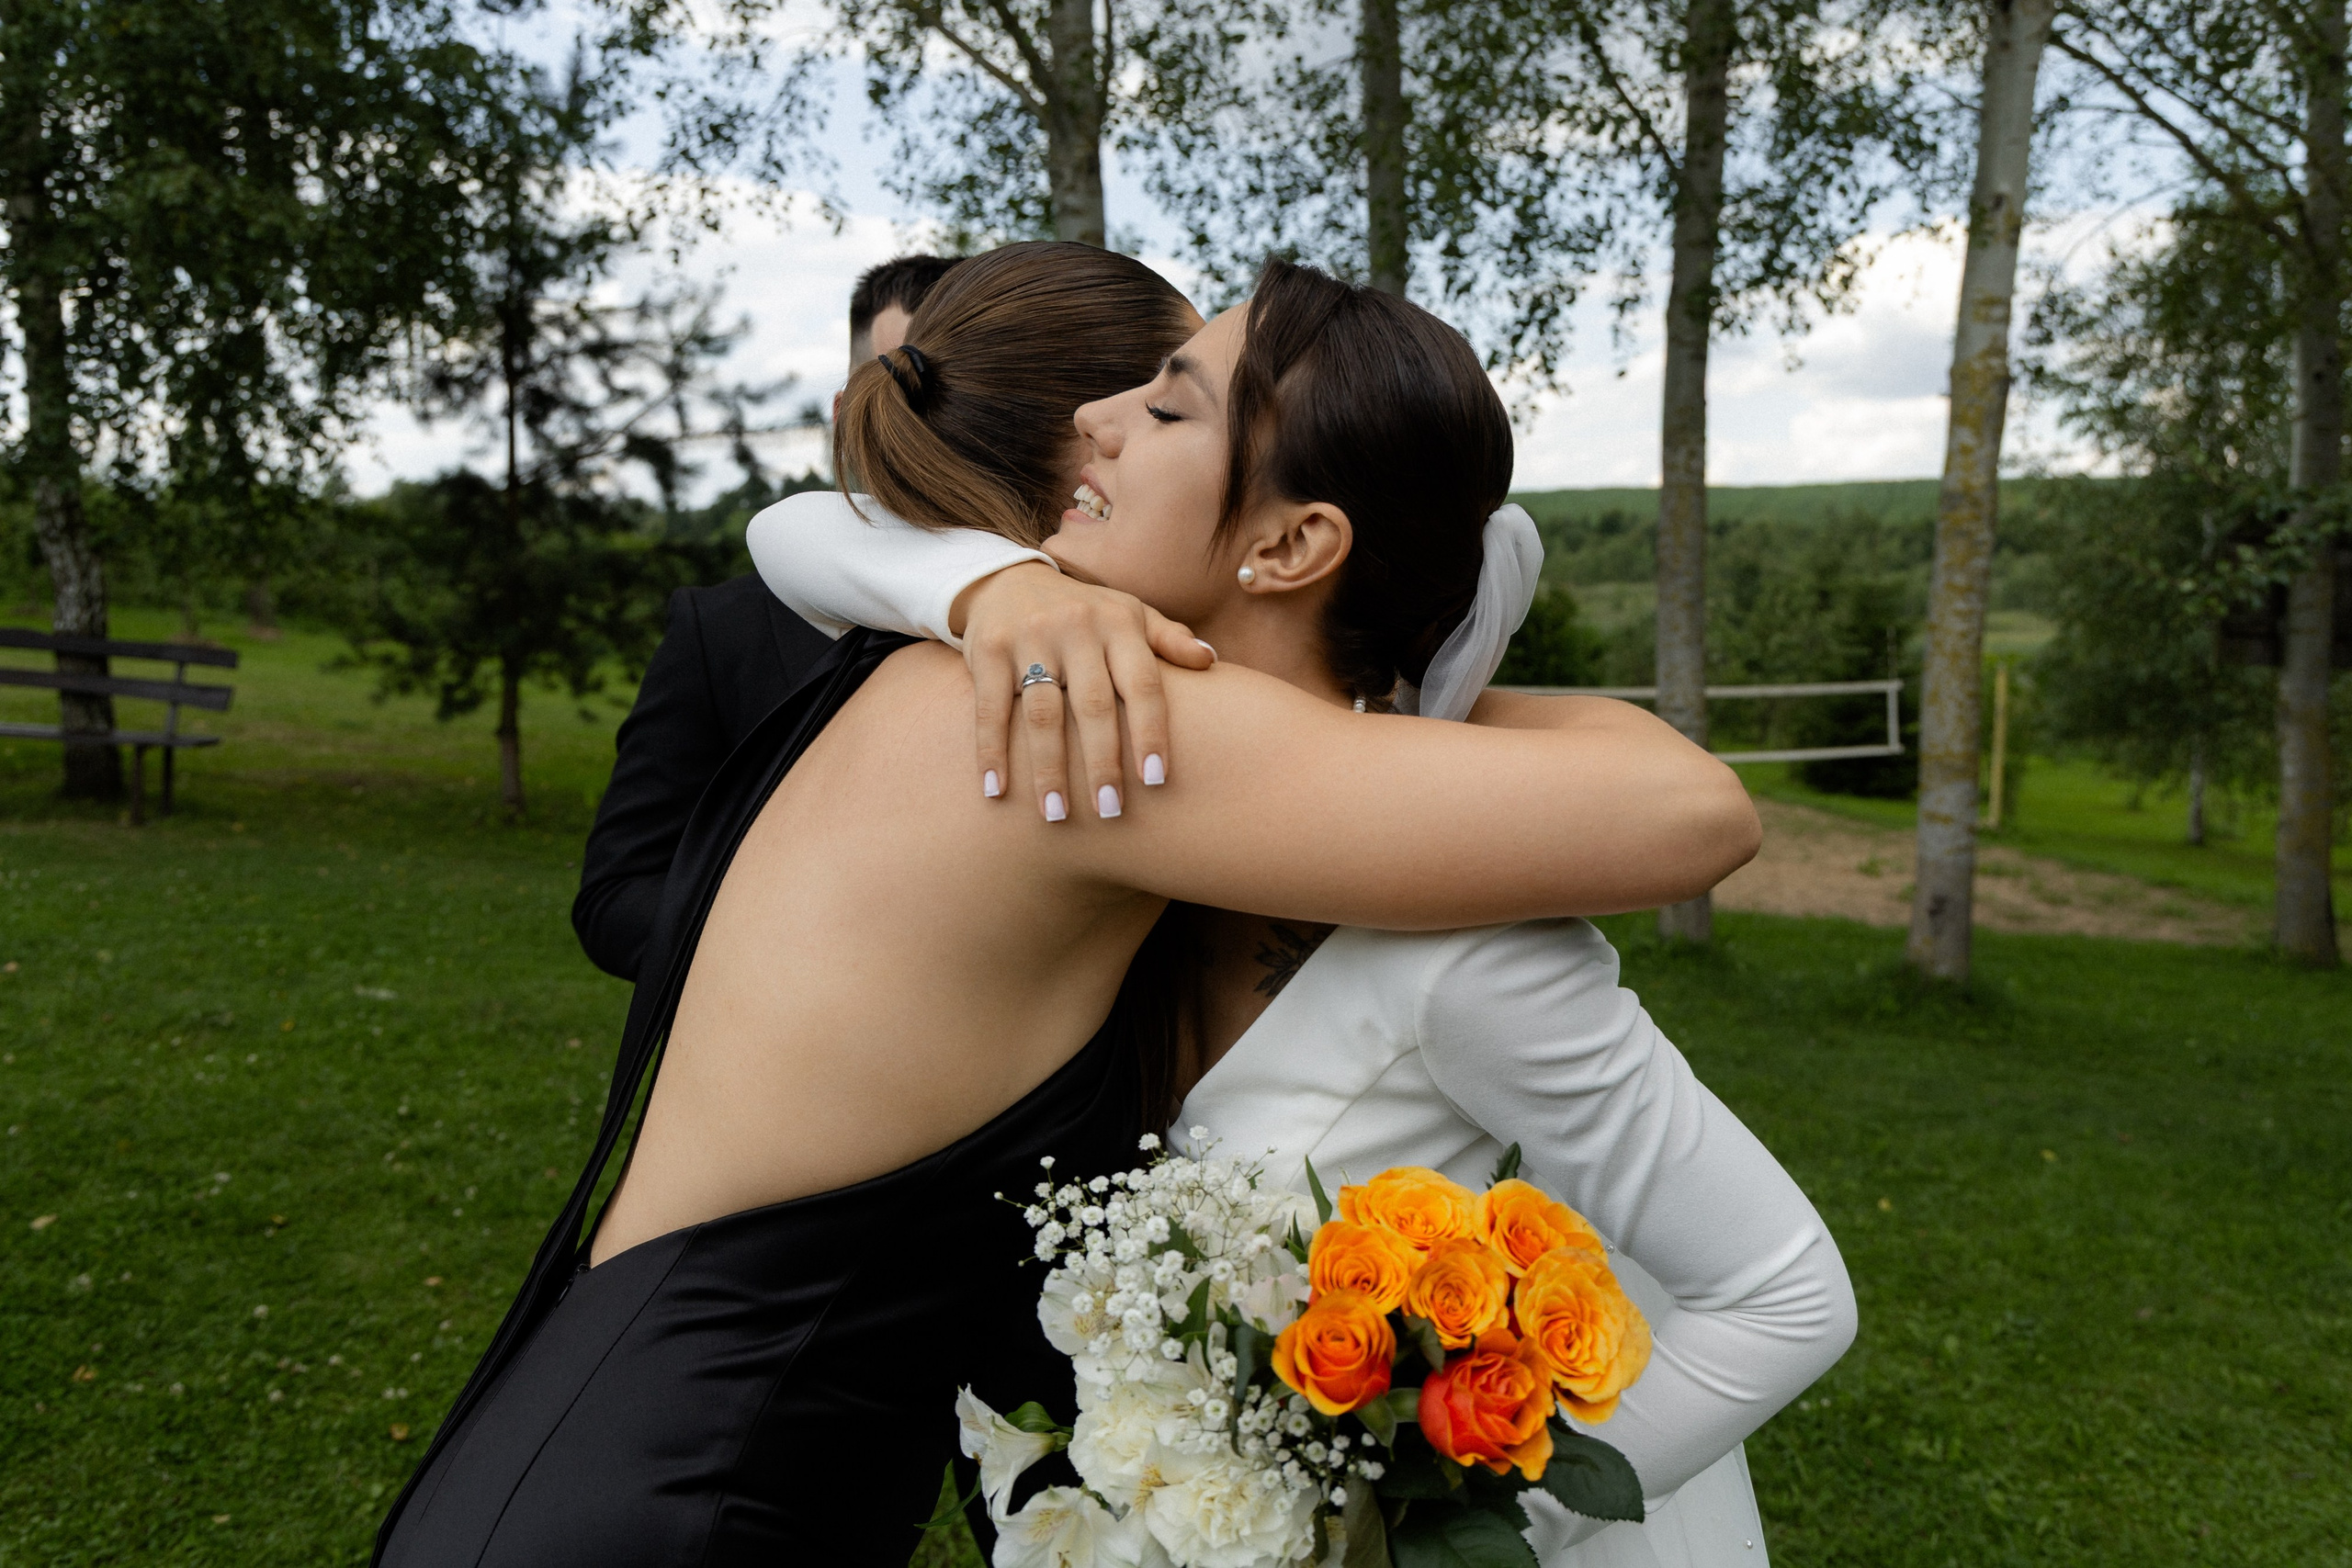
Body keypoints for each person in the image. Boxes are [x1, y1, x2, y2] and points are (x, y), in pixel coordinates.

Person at [376, 243, 1758, 1568]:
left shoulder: (945, 663)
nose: (1110, 422)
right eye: (1135, 392)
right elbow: (1693, 813)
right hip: (682, 1501)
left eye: (1167, 401)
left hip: (598, 1447)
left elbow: (808, 531)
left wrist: (985, 582)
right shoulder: (1100, 727)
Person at [749, 259, 1855, 1566]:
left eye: (1169, 409)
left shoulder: (1470, 947)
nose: (1095, 419)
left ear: (1289, 543)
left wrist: (1412, 1535)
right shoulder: (1122, 774)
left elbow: (1788, 1294)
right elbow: (807, 536)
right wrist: (997, 590)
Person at [570, 253, 960, 981]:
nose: (927, 429)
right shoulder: (722, 627)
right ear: (847, 413)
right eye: (903, 390)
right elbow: (617, 898)